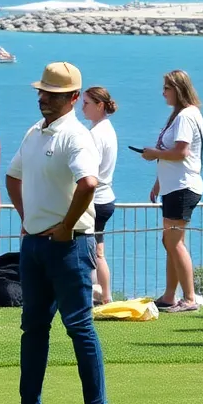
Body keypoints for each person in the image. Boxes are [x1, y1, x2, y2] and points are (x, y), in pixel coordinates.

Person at [0, 61, 122, 404]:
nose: (43, 98)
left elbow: (88, 183)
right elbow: (12, 177)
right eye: (42, 91)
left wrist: (65, 226)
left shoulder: (76, 136)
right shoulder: (35, 132)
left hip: (70, 245)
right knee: (33, 327)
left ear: (73, 98)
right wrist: (28, 217)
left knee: (79, 326)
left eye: (53, 94)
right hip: (35, 244)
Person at [143, 70, 203, 313]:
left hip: (183, 186)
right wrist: (158, 183)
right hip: (174, 186)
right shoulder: (182, 115)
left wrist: (153, 154)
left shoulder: (186, 116)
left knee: (175, 242)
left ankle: (189, 298)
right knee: (170, 241)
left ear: (178, 90)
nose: (163, 93)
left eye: (167, 88)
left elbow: (181, 152)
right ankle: (170, 295)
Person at [82, 86, 118, 305]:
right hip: (106, 197)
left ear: (100, 105)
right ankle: (105, 296)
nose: (82, 108)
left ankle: (94, 295)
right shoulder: (107, 129)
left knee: (88, 252)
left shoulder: (95, 135)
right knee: (98, 251)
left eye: (86, 103)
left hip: (95, 199)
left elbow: (88, 170)